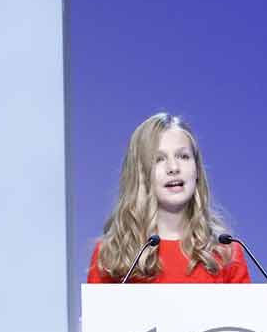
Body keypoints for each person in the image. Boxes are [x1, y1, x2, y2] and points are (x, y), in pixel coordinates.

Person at [87, 112, 250, 283]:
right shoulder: (111, 255)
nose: (173, 167)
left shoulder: (227, 254)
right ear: (140, 174)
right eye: (159, 159)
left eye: (183, 156)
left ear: (197, 171)